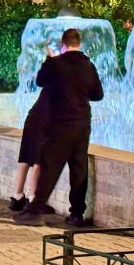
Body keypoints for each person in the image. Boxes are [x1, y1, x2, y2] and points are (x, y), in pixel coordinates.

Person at [14, 28, 103, 227]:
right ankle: (77, 214)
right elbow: (98, 95)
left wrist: (49, 59)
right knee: (79, 168)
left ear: (63, 44)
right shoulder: (88, 65)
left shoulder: (57, 64)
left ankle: (35, 210)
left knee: (50, 166)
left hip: (61, 123)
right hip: (82, 123)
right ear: (79, 44)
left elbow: (40, 81)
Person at [8, 39, 57, 211]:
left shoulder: (50, 74)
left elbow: (45, 72)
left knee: (26, 157)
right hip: (45, 120)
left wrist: (48, 54)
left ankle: (17, 196)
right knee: (39, 161)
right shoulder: (63, 77)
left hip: (33, 117)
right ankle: (33, 199)